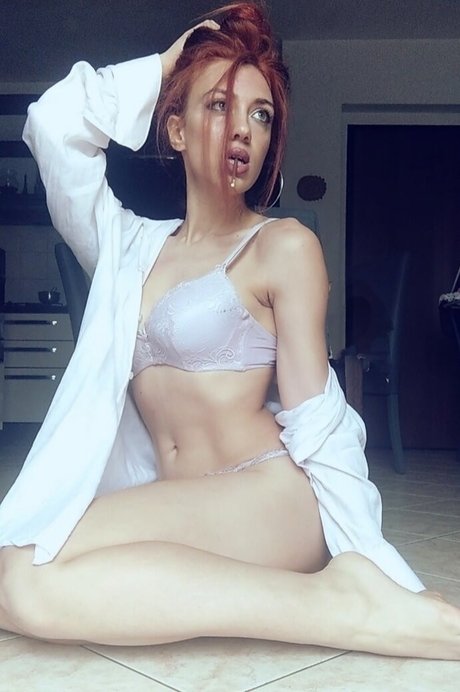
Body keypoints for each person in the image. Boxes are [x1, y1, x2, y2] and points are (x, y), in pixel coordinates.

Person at [0, 2, 459, 658]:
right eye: (218, 105)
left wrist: (367, 547)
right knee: (19, 569)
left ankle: (353, 605)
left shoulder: (282, 246)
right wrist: (165, 66)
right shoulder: (126, 247)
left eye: (261, 114)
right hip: (183, 499)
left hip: (272, 495)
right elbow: (53, 125)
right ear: (175, 128)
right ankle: (335, 603)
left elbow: (316, 415)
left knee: (25, 578)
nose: (242, 128)